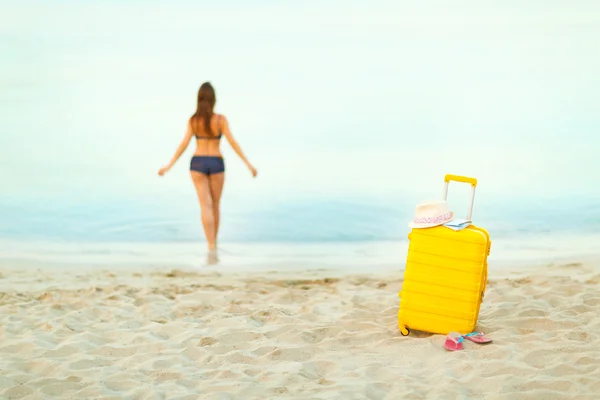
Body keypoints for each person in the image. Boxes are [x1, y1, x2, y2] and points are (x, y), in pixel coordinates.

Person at [158, 82, 257, 256]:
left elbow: (184, 144)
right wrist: (248, 164)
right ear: (214, 99)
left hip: (197, 162)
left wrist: (169, 165)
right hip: (216, 162)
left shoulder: (193, 120)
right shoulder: (220, 120)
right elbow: (233, 142)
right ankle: (214, 244)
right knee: (215, 205)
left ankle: (210, 245)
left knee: (205, 205)